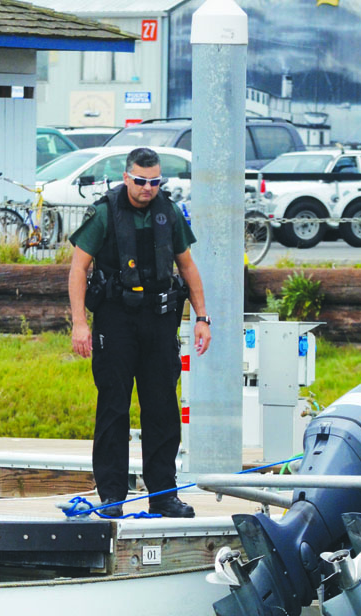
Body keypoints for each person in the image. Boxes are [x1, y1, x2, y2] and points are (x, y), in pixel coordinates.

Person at [68, 147, 212, 519]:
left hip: (160, 321)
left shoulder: (169, 211)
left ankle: (163, 494)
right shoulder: (105, 212)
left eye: (155, 182)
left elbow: (188, 266)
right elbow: (77, 268)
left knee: (162, 408)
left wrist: (202, 317)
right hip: (116, 322)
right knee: (114, 407)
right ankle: (112, 495)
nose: (148, 188)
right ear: (127, 177)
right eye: (141, 181)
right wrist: (80, 323)